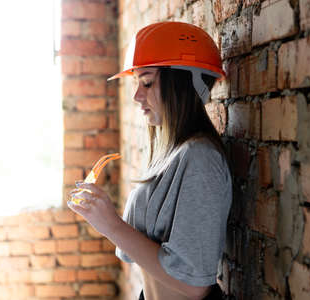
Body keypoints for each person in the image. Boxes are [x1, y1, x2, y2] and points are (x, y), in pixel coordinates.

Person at [68, 21, 232, 300]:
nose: (136, 95)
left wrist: (111, 224)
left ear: (180, 83)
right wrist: (101, 215)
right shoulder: (170, 153)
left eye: (146, 82)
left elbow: (195, 286)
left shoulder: (201, 159)